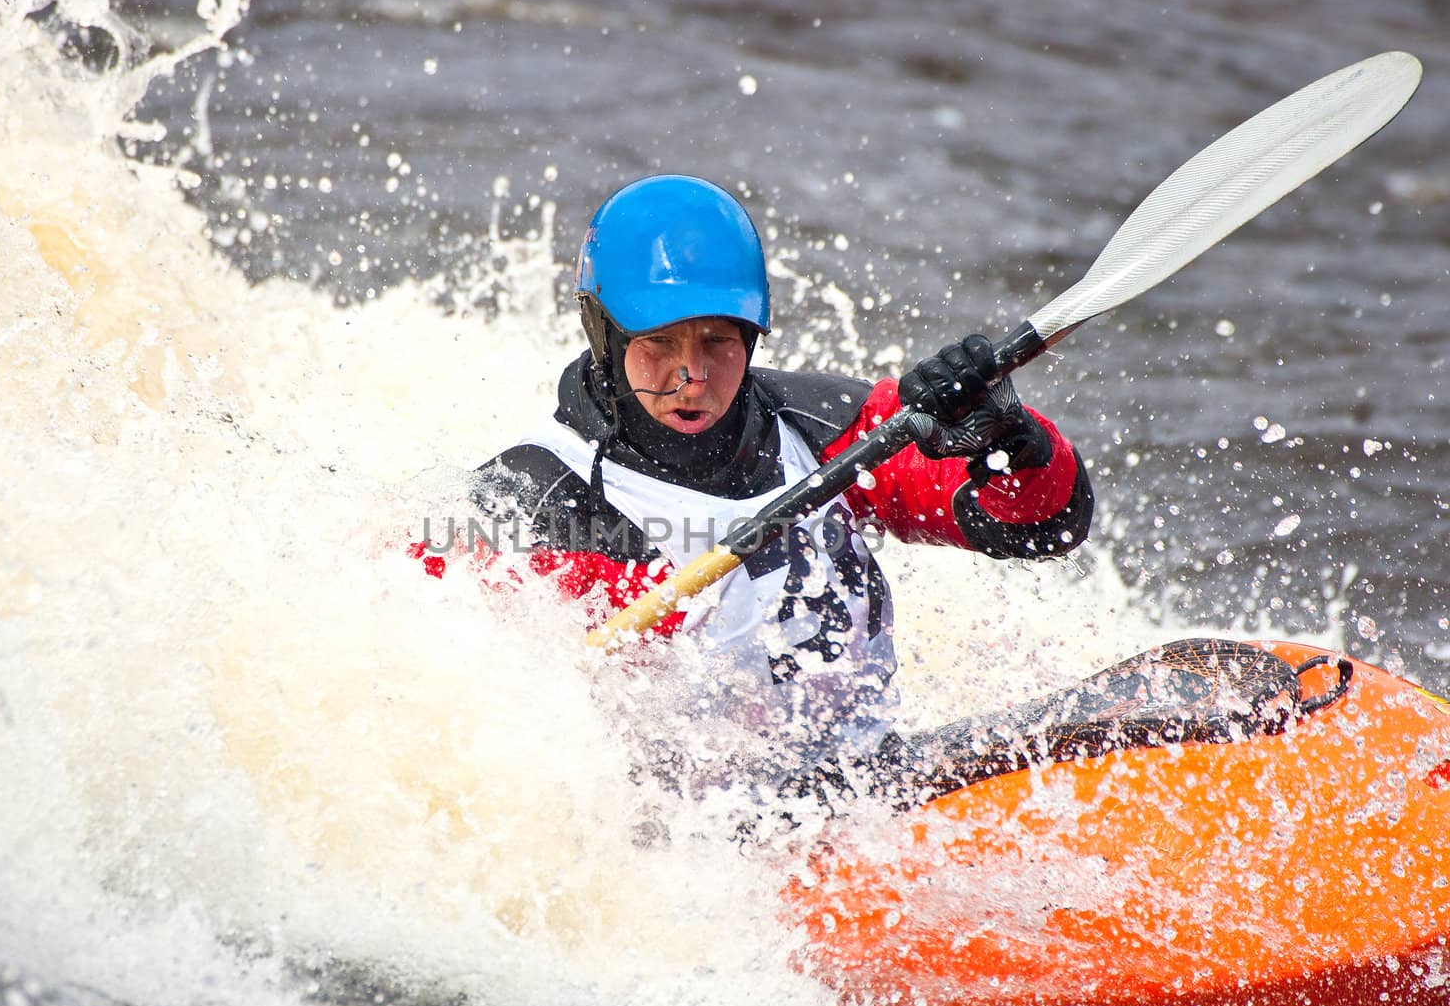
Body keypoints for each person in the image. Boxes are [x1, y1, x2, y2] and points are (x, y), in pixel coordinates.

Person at [433, 174, 1093, 785]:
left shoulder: (832, 430)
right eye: (660, 342)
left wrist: (1010, 442)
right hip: (699, 842)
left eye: (717, 341)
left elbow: (1044, 527)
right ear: (605, 335)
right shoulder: (534, 501)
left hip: (872, 791)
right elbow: (427, 693)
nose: (692, 374)